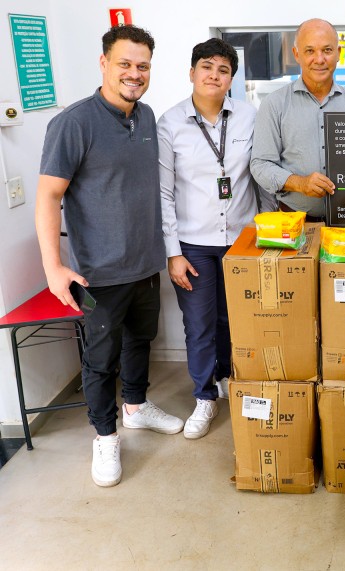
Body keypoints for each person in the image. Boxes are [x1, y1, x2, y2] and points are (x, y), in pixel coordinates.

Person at [35, 25, 183, 488]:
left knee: (142, 340)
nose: (134, 74)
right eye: (125, 63)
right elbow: (47, 196)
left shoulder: (146, 116)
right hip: (97, 272)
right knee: (101, 359)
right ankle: (105, 436)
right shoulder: (74, 122)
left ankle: (136, 409)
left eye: (142, 66)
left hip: (144, 262)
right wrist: (53, 267)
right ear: (103, 63)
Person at [158, 38, 261, 439]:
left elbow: (260, 176)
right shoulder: (170, 123)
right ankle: (203, 397)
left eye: (223, 70)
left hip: (241, 239)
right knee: (199, 323)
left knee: (233, 318)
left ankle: (225, 377)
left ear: (231, 79)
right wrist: (172, 253)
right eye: (207, 67)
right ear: (192, 73)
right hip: (194, 244)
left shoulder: (249, 117)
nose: (214, 76)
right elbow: (164, 193)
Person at [250, 19, 345, 221]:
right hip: (294, 223)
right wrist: (300, 183)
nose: (319, 59)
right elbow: (260, 164)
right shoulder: (274, 104)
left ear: (339, 54)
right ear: (297, 54)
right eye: (310, 51)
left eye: (327, 50)